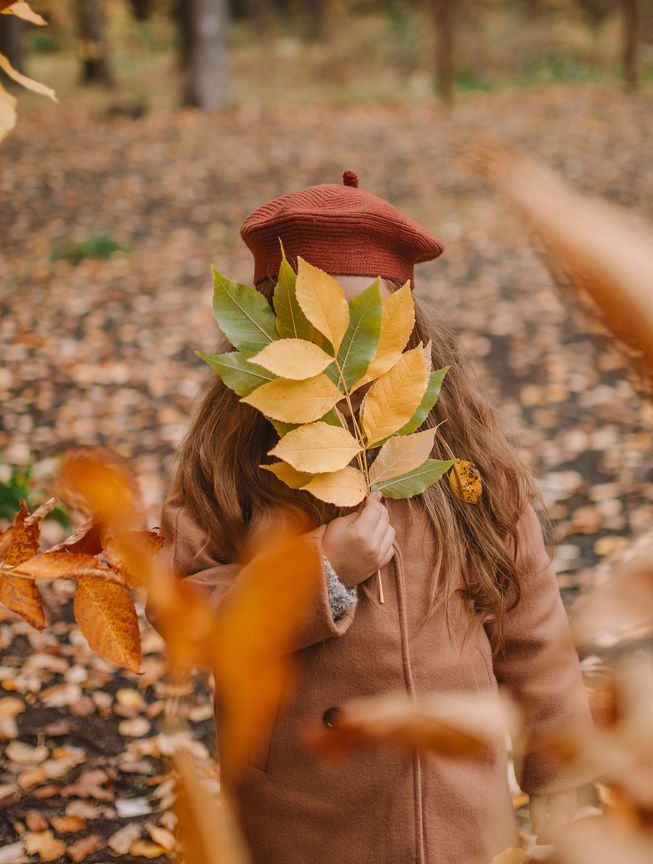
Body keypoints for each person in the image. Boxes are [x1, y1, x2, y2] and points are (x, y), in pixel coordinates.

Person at [148, 171, 599, 864]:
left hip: (459, 812)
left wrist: (559, 768)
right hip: (302, 817)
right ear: (267, 332)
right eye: (314, 326)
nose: (345, 357)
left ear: (411, 325)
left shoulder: (465, 457)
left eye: (368, 328)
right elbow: (187, 613)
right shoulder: (229, 459)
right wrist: (318, 571)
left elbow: (530, 620)